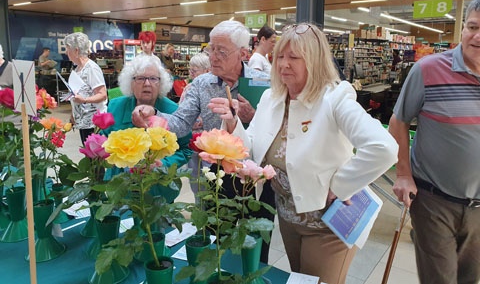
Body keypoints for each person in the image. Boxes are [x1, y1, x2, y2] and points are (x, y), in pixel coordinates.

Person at [208, 22, 398, 284]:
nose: (284, 64)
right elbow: (252, 148)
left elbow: (384, 148)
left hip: (330, 224)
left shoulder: (334, 98)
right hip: (288, 220)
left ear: (315, 60)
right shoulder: (272, 99)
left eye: (294, 57)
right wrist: (232, 123)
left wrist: (341, 185)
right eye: (280, 56)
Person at [132, 20, 273, 262]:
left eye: (221, 51)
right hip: (219, 174)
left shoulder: (264, 83)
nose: (213, 57)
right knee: (217, 239)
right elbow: (180, 122)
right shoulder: (202, 84)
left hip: (258, 174)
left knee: (256, 245)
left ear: (242, 53)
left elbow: (276, 130)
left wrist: (253, 116)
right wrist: (155, 115)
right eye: (211, 49)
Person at [389, 0, 480, 284]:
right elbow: (398, 120)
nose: (477, 36)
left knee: (469, 278)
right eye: (473, 27)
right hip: (434, 201)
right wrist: (403, 174)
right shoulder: (428, 70)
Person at [103, 54, 192, 168]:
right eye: (140, 78)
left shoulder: (173, 111)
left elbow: (186, 149)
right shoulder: (116, 106)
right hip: (119, 179)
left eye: (153, 78)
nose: (147, 84)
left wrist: (164, 164)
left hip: (157, 179)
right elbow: (103, 140)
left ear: (161, 83)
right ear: (130, 82)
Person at [64, 32, 108, 144]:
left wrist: (84, 100)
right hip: (83, 120)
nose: (66, 52)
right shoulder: (78, 68)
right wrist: (73, 114)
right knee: (88, 152)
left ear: (76, 50)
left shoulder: (92, 68)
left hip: (94, 122)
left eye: (68, 48)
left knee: (94, 155)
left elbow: (102, 94)